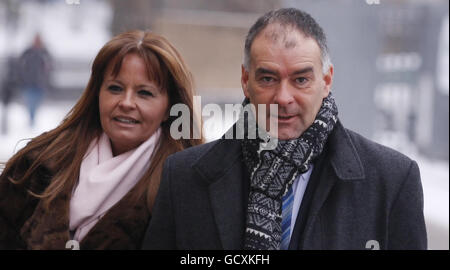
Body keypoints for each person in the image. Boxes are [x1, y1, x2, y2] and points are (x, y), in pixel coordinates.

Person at [142, 8, 427, 250]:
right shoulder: (183, 178)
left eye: (301, 80)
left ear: (326, 81)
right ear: (245, 80)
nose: (283, 97)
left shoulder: (393, 181)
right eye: (268, 78)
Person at [0, 30, 202, 249]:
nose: (126, 102)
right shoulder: (37, 164)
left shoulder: (183, 189)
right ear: (98, 94)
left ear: (168, 109)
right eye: (115, 88)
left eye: (144, 93)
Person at [18, 33, 52, 128]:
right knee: (30, 102)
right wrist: (22, 78)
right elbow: (20, 66)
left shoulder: (45, 53)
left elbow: (50, 68)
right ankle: (31, 120)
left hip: (41, 84)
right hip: (28, 83)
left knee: (37, 103)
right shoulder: (27, 52)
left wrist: (47, 80)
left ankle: (33, 119)